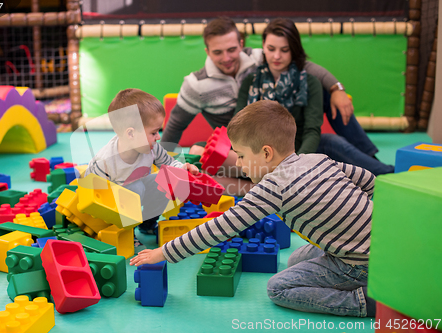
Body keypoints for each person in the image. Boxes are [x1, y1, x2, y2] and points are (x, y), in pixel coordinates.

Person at [131, 100, 376, 317]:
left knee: (278, 288)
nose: (237, 164)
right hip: (381, 243)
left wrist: (162, 252)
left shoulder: (272, 188)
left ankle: (362, 301)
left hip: (356, 265)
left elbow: (218, 228)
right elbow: (369, 180)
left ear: (266, 153)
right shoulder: (316, 158)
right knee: (295, 259)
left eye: (241, 156)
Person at [236, 18, 394, 176]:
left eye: (284, 50)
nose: (277, 56)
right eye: (271, 49)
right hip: (260, 154)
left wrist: (295, 163)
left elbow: (312, 130)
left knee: (332, 142)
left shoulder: (310, 81)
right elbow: (240, 125)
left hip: (298, 151)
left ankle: (390, 173)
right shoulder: (251, 81)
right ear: (263, 46)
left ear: (294, 50)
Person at [84, 88, 199, 242]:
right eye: (154, 133)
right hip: (111, 201)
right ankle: (127, 233)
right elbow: (93, 191)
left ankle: (147, 224)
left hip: (136, 190)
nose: (158, 137)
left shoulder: (152, 148)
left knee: (163, 181)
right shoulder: (106, 161)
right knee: (135, 189)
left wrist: (182, 168)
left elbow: (169, 163)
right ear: (131, 134)